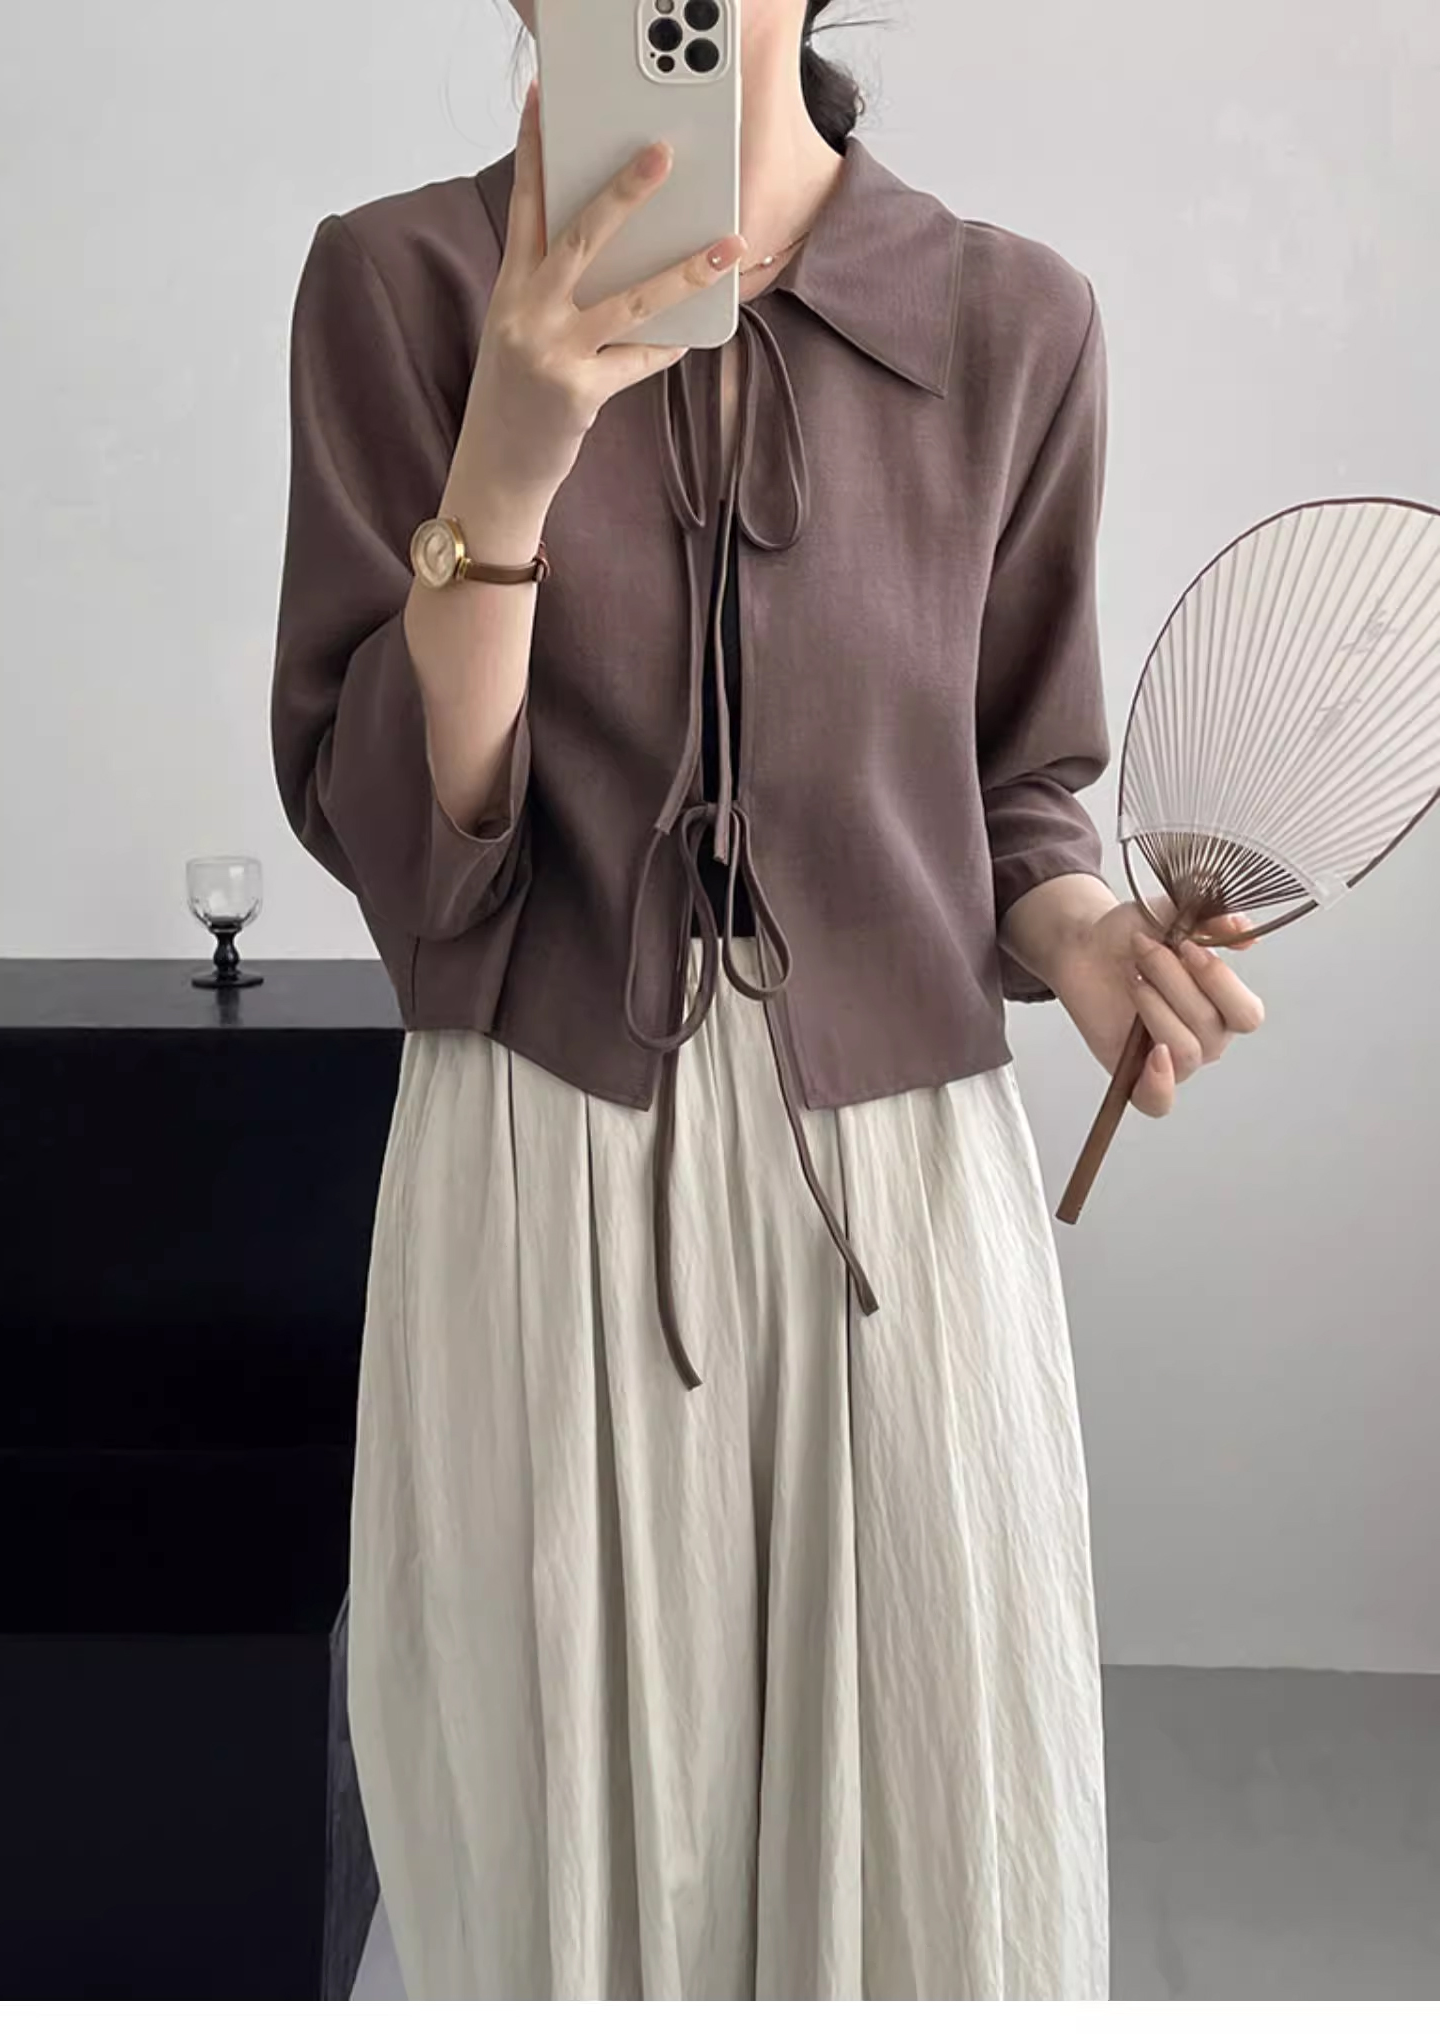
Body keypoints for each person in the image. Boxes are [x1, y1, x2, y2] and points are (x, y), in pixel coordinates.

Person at [270, 0, 1265, 2001]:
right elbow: (405, 849)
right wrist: (508, 461)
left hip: (897, 1202)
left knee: (927, 1865)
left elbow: (1019, 789)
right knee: (563, 1873)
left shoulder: (1012, 320)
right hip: (541, 1170)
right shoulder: (401, 284)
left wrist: (1084, 938)